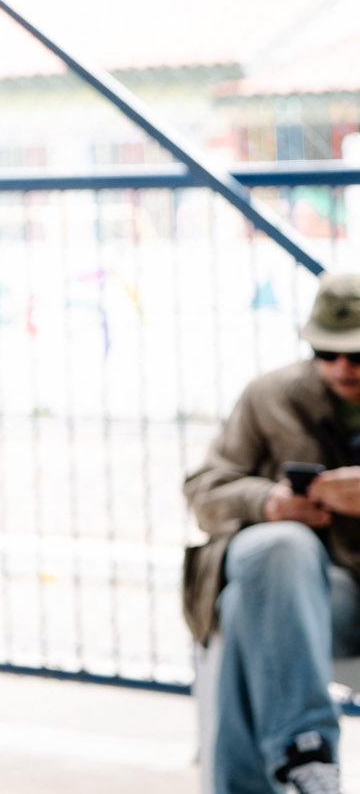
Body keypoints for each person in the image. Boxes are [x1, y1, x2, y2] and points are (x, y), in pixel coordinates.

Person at [186, 272, 360, 794]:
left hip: (348, 601)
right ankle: (305, 749)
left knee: (246, 610)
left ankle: (282, 764)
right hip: (303, 585)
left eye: (357, 355)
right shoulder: (271, 396)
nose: (343, 367)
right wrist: (268, 502)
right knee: (277, 550)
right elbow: (203, 491)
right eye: (327, 352)